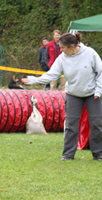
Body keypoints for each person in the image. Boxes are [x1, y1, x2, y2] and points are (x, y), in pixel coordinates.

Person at [22, 32, 102, 161]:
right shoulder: (62, 58)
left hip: (93, 94)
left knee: (97, 123)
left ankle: (98, 153)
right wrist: (33, 80)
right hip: (73, 94)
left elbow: (100, 73)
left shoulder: (90, 53)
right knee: (71, 124)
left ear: (72, 46)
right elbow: (52, 74)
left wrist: (99, 91)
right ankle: (68, 155)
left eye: (63, 48)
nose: (61, 50)